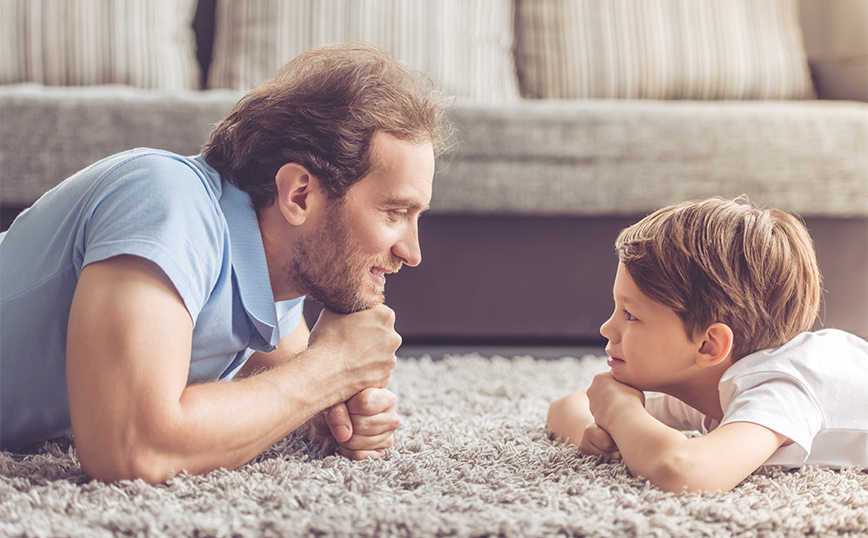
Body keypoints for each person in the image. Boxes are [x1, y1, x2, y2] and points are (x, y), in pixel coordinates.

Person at [0, 42, 452, 484]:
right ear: (299, 195)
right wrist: (332, 368)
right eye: (395, 213)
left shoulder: (275, 280)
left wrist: (333, 408)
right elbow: (129, 446)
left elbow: (292, 382)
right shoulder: (166, 200)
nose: (412, 253)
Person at [547, 197, 868, 493]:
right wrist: (594, 431)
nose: (607, 328)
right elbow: (565, 407)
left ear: (708, 346)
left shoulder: (780, 389)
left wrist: (619, 412)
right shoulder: (706, 381)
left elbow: (683, 472)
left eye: (630, 315)